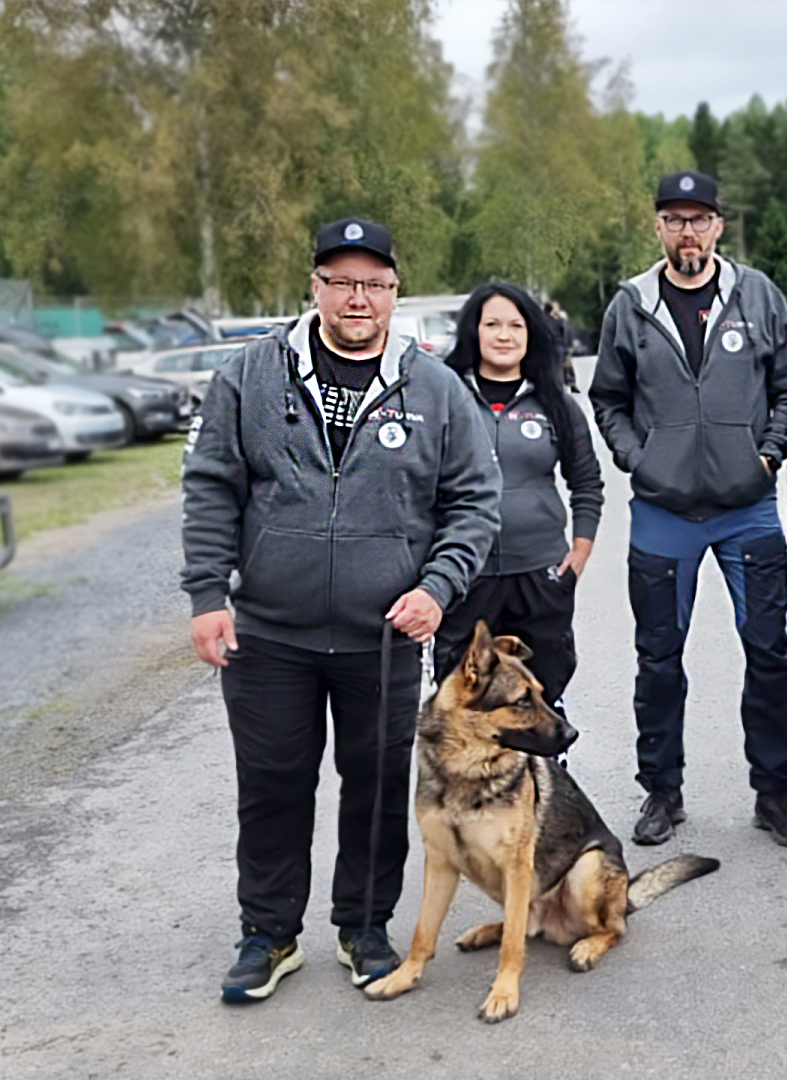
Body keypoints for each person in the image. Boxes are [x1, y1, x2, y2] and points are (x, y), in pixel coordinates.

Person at [181, 217, 502, 1004]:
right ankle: (269, 935)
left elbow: (474, 503)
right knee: (272, 784)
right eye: (342, 281)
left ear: (395, 293)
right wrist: (205, 596)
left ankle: (364, 927)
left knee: (377, 784)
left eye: (375, 284)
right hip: (271, 636)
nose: (358, 297)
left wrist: (436, 588)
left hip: (381, 640)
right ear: (315, 286)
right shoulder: (250, 376)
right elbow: (213, 485)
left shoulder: (434, 387)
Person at [589, 170, 787, 850]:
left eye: (700, 218)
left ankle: (774, 793)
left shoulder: (758, 296)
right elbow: (607, 400)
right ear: (657, 227)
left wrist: (769, 453)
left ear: (719, 225)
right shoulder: (631, 305)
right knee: (658, 659)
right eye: (675, 219)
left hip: (748, 509)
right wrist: (640, 458)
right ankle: (663, 790)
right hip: (663, 513)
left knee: (769, 652)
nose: (689, 231)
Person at [432, 283, 602, 706]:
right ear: (474, 331)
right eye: (492, 324)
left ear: (531, 334)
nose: (503, 335)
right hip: (466, 575)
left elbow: (586, 483)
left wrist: (578, 555)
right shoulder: (444, 397)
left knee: (541, 686)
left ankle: (546, 764)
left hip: (539, 574)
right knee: (464, 693)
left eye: (515, 325)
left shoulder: (556, 405)